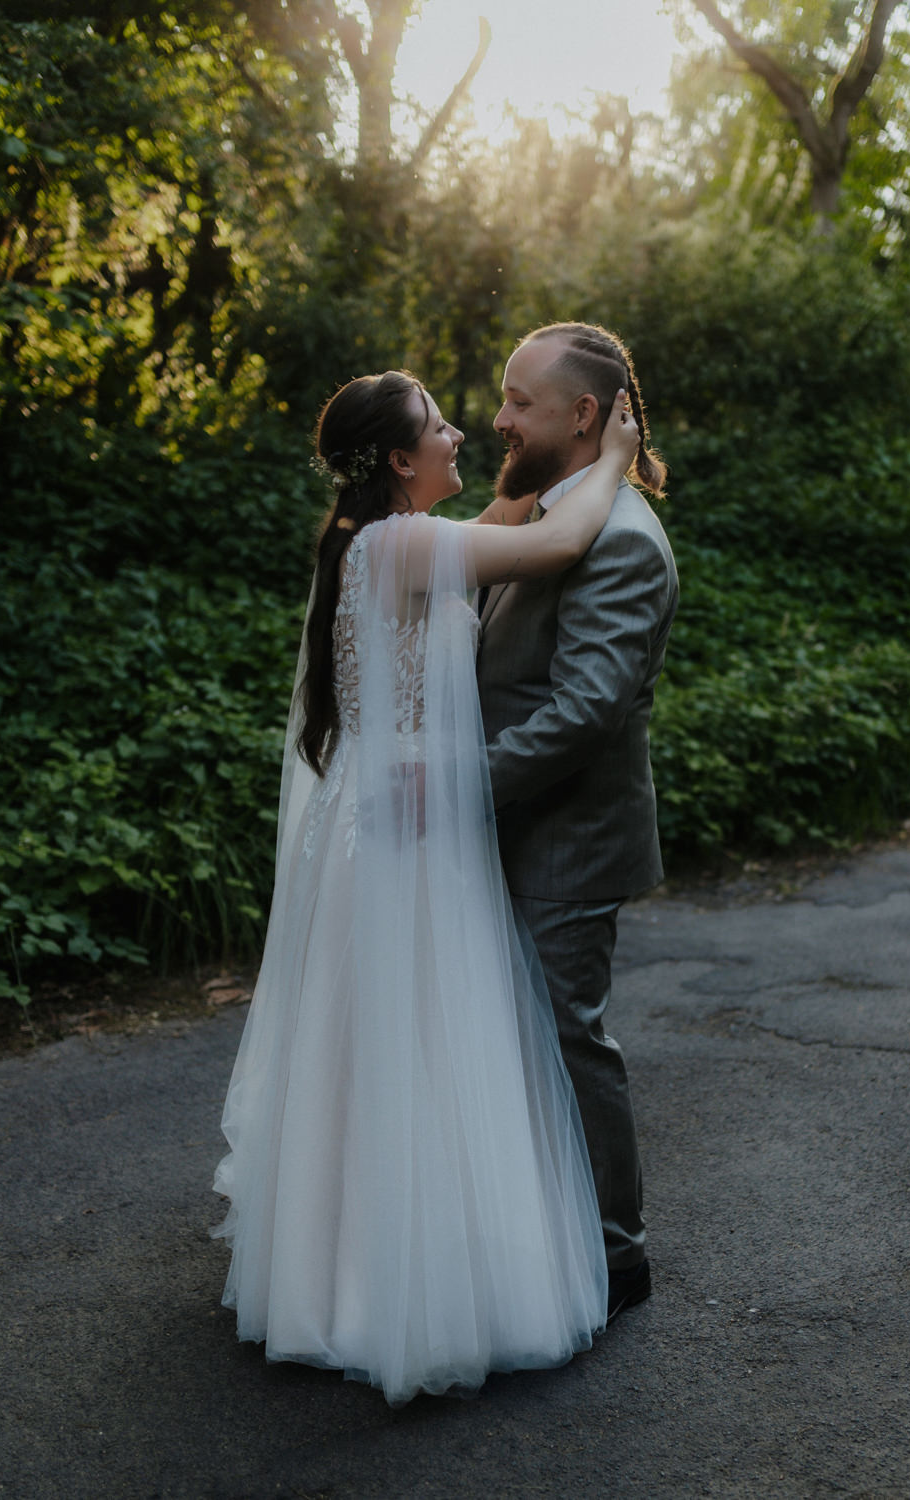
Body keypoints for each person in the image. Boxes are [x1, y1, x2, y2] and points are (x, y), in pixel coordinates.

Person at [212, 370, 639, 1406]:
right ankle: (399, 1283)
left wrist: (555, 467)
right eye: (439, 426)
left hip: (376, 811)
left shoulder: (382, 537)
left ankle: (338, 1263)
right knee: (416, 1042)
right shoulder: (403, 546)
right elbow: (549, 545)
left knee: (370, 1048)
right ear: (401, 460)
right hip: (406, 822)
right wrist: (616, 460)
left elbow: (504, 512)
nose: (461, 434)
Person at [477, 323, 679, 1323]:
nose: (500, 416)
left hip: (565, 838)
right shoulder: (542, 510)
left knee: (565, 1040)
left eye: (518, 399)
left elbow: (584, 707)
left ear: (582, 415)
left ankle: (614, 1254)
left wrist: (462, 786)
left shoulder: (622, 539)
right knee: (516, 1040)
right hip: (517, 828)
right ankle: (537, 1231)